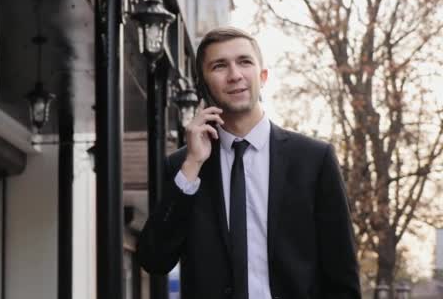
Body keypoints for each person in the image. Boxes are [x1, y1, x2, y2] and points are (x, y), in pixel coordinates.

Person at [137, 27, 361, 299]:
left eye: (244, 62)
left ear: (263, 76)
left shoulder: (314, 160)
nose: (235, 75)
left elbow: (342, 277)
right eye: (220, 66)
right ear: (203, 85)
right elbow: (154, 260)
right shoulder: (183, 167)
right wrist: (192, 166)